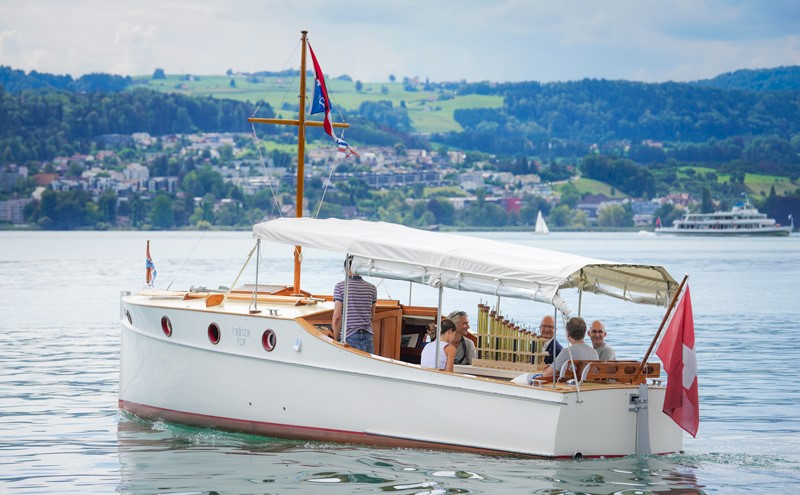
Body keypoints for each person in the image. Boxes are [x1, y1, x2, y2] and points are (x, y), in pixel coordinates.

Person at [332, 262, 377, 353]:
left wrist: (335, 340)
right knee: (366, 362)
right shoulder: (372, 288)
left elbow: (337, 318)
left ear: (345, 268)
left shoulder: (340, 287)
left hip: (349, 336)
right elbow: (372, 315)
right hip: (368, 335)